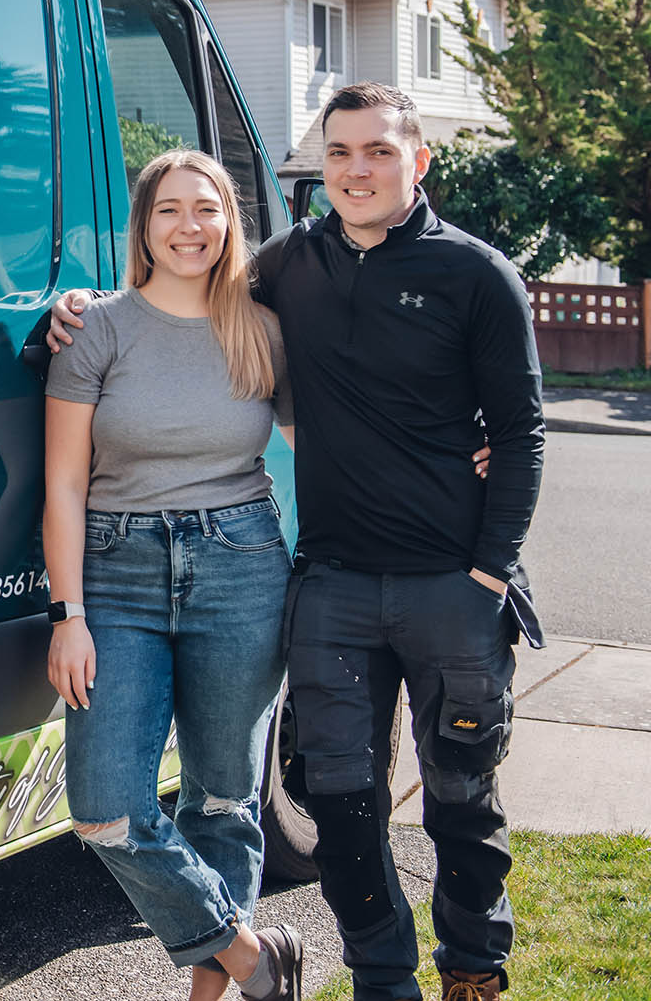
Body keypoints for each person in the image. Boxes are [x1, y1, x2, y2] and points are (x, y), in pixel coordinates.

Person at [49, 83, 544, 1001]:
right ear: (322, 162)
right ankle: (370, 980)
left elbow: (521, 431)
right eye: (342, 152)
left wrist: (489, 565)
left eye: (380, 152)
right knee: (340, 808)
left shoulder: (476, 274)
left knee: (461, 799)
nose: (358, 170)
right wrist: (79, 304)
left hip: (449, 581)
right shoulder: (289, 268)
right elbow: (181, 290)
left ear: (417, 160)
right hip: (332, 585)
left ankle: (473, 970)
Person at [44, 148, 304, 1001]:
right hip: (116, 573)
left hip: (242, 566)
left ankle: (218, 993)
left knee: (224, 800)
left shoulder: (262, 328)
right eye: (169, 210)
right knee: (106, 808)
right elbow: (63, 484)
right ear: (144, 225)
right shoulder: (95, 327)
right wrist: (67, 613)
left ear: (230, 222)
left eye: (207, 209)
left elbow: (334, 448)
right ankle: (254, 957)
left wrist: (466, 457)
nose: (189, 226)